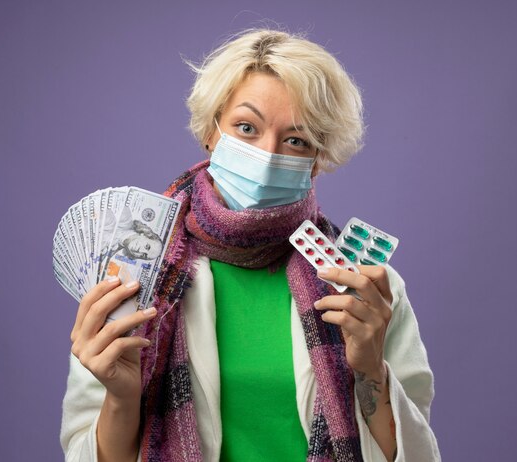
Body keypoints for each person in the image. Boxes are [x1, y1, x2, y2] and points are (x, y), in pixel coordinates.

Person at [60, 29, 441, 462]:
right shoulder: (134, 271)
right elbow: (82, 451)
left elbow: (418, 455)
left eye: (296, 140)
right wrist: (122, 399)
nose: (267, 155)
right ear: (211, 130)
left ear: (317, 160)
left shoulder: (366, 290)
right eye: (246, 127)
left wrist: (372, 369)